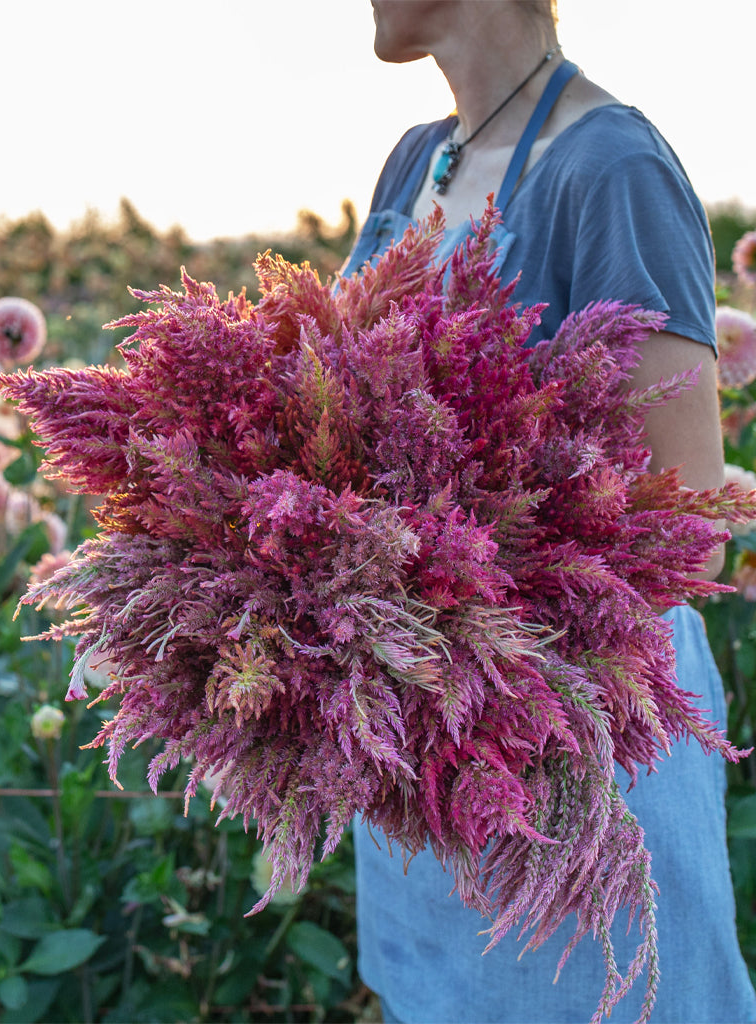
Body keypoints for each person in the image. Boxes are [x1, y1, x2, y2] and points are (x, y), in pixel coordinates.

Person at [342, 2, 756, 1022]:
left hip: (574, 750)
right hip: (422, 745)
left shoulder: (615, 169)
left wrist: (462, 571)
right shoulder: (415, 164)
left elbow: (690, 518)